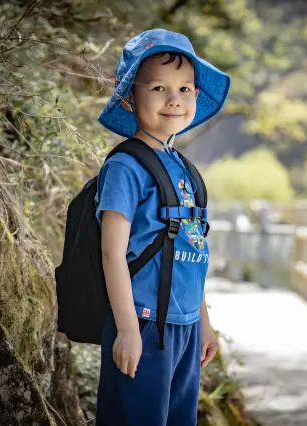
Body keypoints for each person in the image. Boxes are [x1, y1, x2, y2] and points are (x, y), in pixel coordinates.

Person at [93, 28, 230, 425]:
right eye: (158, 87)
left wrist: (204, 323)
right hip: (144, 324)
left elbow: (191, 252)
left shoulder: (185, 169)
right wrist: (127, 330)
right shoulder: (125, 167)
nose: (174, 100)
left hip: (185, 330)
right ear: (129, 97)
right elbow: (111, 253)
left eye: (185, 89)